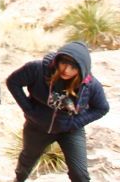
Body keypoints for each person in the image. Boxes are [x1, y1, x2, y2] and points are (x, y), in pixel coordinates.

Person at [7, 41, 110, 182]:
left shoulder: (90, 85)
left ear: (81, 69)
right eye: (64, 63)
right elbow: (13, 82)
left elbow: (102, 108)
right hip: (38, 127)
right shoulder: (37, 69)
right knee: (27, 161)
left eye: (73, 67)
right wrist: (29, 110)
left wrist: (75, 123)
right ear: (57, 61)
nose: (66, 70)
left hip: (70, 130)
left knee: (80, 175)